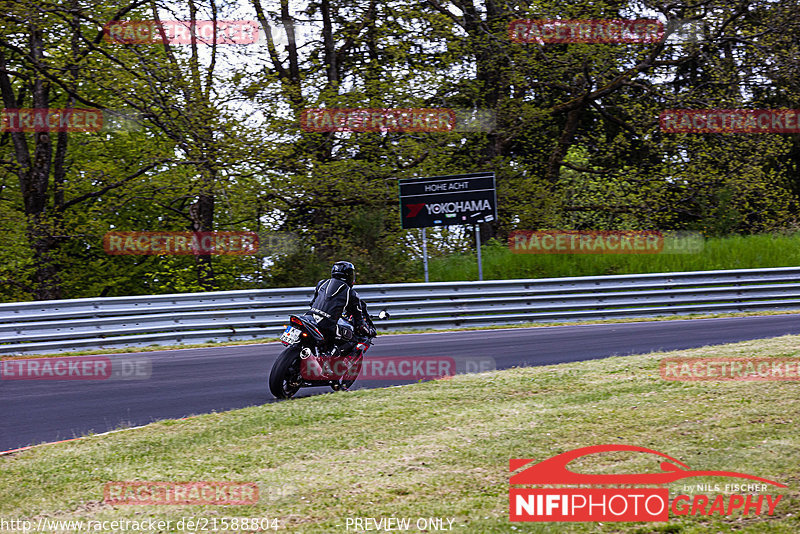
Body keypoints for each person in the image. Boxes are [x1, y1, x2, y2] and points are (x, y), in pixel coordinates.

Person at [306, 261, 376, 356]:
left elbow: (312, 303)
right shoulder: (350, 293)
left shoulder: (322, 283)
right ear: (348, 275)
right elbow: (359, 321)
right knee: (349, 338)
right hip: (327, 324)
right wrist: (367, 330)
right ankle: (328, 360)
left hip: (309, 317)